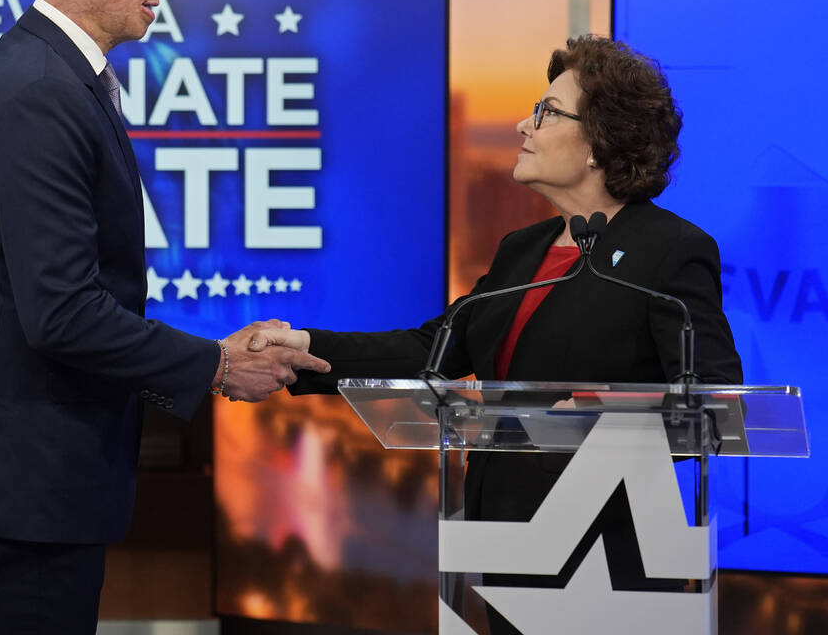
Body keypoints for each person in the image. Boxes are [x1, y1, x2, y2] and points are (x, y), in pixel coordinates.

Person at [0, 0, 328, 634]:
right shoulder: (41, 89)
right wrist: (214, 365)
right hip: (19, 483)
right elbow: (62, 313)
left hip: (36, 479)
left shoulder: (58, 76)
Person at [257, 35, 743, 629]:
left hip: (612, 557)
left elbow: (713, 399)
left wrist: (592, 414)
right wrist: (308, 348)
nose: (523, 124)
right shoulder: (524, 250)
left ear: (599, 144)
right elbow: (432, 349)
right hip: (505, 542)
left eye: (547, 112)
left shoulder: (670, 252)